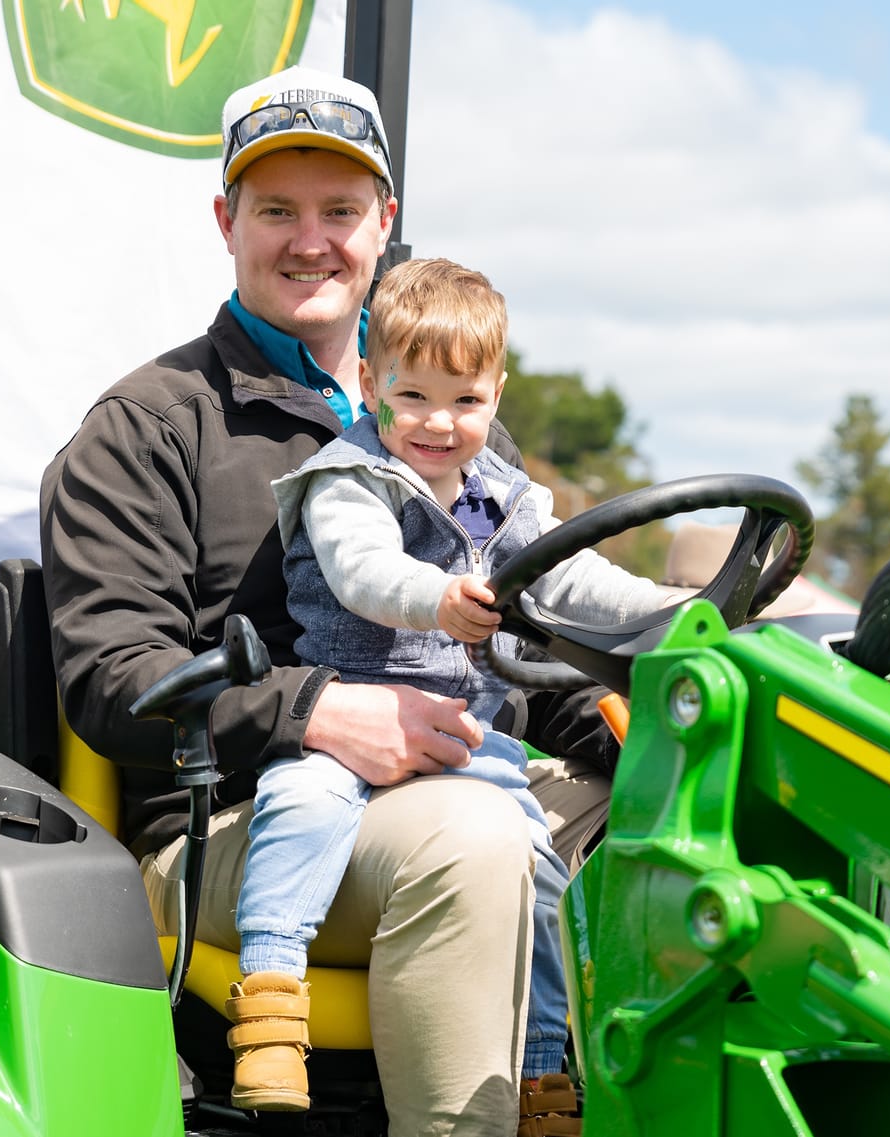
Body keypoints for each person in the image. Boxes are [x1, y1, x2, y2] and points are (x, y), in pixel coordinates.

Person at [40, 66, 616, 1135]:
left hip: (460, 766)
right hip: (237, 824)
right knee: (474, 838)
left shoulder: (458, 431)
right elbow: (113, 685)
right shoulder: (148, 429)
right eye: (277, 212)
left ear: (383, 223)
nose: (312, 241)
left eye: (340, 212)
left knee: (692, 827)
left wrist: (636, 722)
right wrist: (315, 713)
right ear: (226, 222)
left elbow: (518, 645)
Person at [231, 258, 662, 1113]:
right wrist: (437, 599)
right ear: (369, 381)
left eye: (465, 401)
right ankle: (271, 1000)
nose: (439, 423)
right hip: (345, 715)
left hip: (466, 739)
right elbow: (363, 572)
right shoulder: (347, 479)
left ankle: (544, 1070)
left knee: (536, 872)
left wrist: (679, 615)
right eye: (414, 396)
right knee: (301, 801)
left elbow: (575, 581)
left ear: (495, 393)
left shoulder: (501, 497)